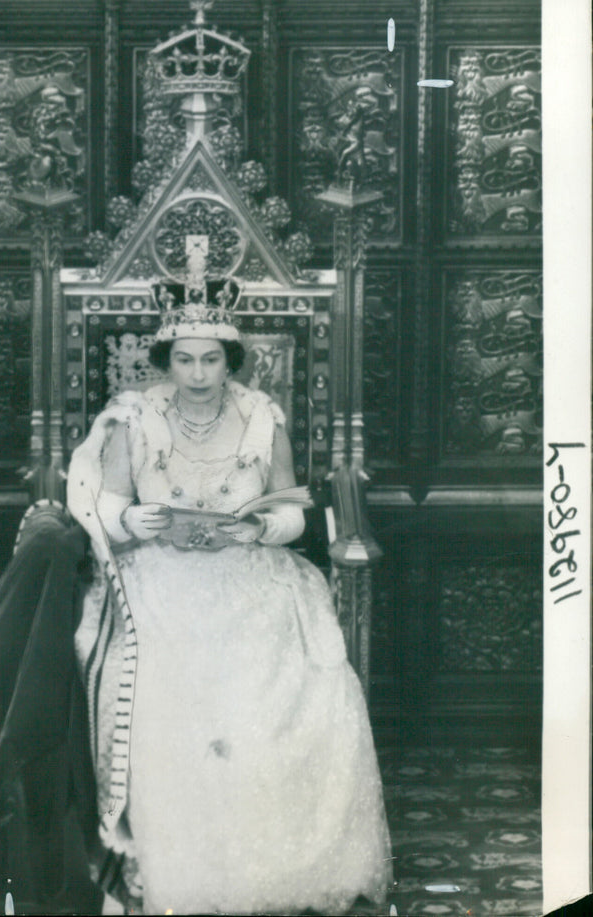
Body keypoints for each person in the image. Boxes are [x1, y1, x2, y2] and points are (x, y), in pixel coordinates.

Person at [66, 279, 393, 915]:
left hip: (248, 570)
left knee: (279, 673)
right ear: (164, 361)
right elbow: (104, 511)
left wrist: (259, 527)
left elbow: (293, 511)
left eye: (211, 359)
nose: (198, 373)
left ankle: (274, 862)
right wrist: (136, 523)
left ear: (231, 359)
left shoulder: (260, 417)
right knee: (168, 672)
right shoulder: (135, 419)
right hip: (158, 573)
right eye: (184, 359)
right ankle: (176, 863)